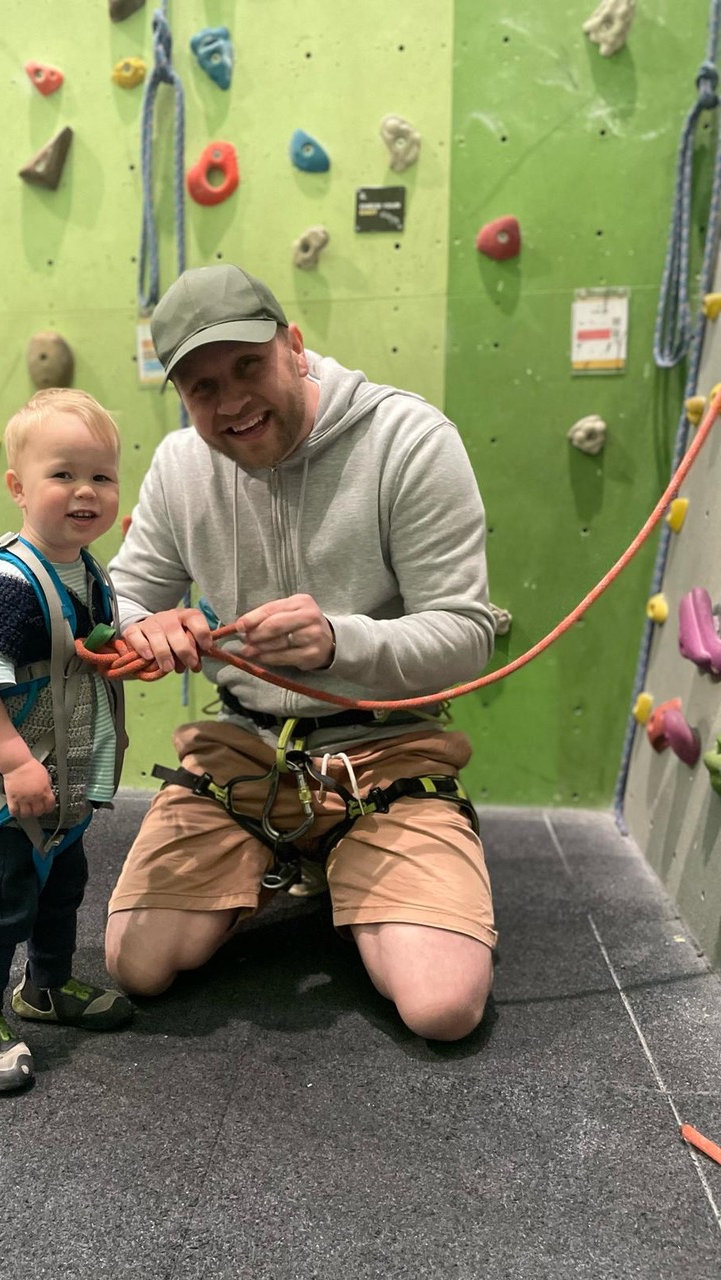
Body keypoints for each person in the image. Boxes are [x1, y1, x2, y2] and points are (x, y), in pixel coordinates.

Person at [103, 263, 497, 1042]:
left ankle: (352, 851)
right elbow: (117, 600)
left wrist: (340, 642)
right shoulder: (179, 468)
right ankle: (302, 855)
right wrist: (142, 627)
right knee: (137, 965)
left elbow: (466, 636)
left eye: (248, 366)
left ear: (293, 345)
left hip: (386, 748)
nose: (231, 402)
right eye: (202, 387)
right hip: (244, 750)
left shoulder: (409, 440)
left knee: (442, 1008)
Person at [0, 387, 133, 1092]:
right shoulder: (6, 584)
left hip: (60, 781)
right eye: (63, 474)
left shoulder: (89, 571)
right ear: (18, 488)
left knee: (62, 888)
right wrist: (14, 763)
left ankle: (45, 987)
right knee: (6, 898)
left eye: (101, 476)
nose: (86, 491)